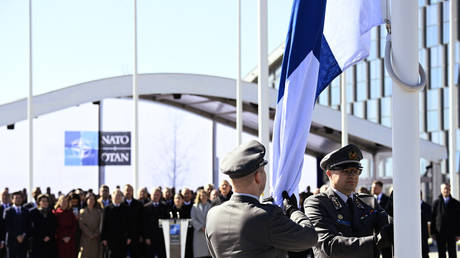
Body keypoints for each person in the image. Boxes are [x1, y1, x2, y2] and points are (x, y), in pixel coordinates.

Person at [206, 140, 318, 257]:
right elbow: (309, 238)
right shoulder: (267, 216)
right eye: (263, 171)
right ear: (258, 177)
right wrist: (293, 211)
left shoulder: (213, 215)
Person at [304, 144, 393, 258]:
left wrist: (395, 213)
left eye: (356, 171)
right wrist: (377, 241)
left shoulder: (368, 202)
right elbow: (328, 245)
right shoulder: (317, 203)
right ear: (329, 174)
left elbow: (388, 228)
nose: (352, 175)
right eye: (346, 171)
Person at [431, 183, 460, 258]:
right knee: (441, 253)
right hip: (440, 232)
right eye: (444, 188)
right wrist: (432, 233)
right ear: (441, 190)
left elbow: (458, 219)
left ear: (450, 190)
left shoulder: (456, 203)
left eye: (448, 188)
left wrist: (458, 233)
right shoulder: (436, 203)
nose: (446, 190)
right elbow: (433, 219)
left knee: (452, 252)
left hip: (452, 232)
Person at [101, 190, 130, 258]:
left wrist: (129, 236)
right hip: (110, 239)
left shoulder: (126, 208)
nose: (118, 197)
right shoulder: (107, 209)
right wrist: (104, 238)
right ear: (112, 197)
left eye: (120, 196)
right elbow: (103, 224)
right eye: (116, 195)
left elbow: (129, 224)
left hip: (122, 238)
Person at [29, 194, 57, 258]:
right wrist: (42, 237)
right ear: (39, 202)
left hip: (49, 243)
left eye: (46, 201)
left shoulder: (51, 214)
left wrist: (49, 236)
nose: (45, 203)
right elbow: (32, 227)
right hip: (37, 242)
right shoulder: (33, 212)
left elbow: (54, 226)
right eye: (43, 201)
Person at [4, 191, 30, 258]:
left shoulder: (26, 211)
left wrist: (23, 235)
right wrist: (17, 236)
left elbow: (28, 225)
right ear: (12, 200)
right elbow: (7, 225)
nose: (18, 199)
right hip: (11, 241)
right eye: (16, 198)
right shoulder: (8, 211)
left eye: (19, 198)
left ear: (22, 199)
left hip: (23, 242)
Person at [143, 187, 168, 258]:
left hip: (161, 237)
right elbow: (144, 224)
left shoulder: (164, 207)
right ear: (151, 195)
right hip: (150, 237)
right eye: (154, 194)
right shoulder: (146, 207)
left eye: (157, 194)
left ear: (160, 196)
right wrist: (146, 237)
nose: (156, 196)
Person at [78, 193, 102, 258]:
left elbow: (100, 224)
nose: (91, 201)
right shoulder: (81, 211)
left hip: (95, 239)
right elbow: (81, 224)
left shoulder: (98, 212)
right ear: (86, 200)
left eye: (93, 199)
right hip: (85, 238)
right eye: (89, 199)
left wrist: (95, 233)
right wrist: (89, 234)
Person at [122, 184, 143, 258]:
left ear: (132, 192)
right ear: (123, 192)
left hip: (136, 236)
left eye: (130, 190)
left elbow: (141, 221)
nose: (128, 192)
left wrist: (141, 234)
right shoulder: (120, 204)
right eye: (126, 190)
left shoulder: (139, 204)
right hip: (122, 237)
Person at [190, 189, 211, 258]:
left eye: (205, 196)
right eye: (201, 196)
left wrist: (207, 227)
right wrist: (201, 227)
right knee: (199, 253)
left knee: (208, 253)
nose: (203, 197)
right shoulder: (194, 206)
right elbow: (193, 219)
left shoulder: (210, 206)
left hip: (208, 231)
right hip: (198, 232)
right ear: (199, 197)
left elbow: (212, 218)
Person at [420, 191, 431, 258]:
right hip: (413, 234)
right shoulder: (410, 207)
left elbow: (429, 218)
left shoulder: (427, 206)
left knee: (425, 253)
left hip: (423, 233)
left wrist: (421, 212)